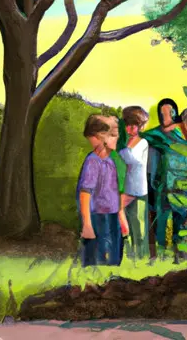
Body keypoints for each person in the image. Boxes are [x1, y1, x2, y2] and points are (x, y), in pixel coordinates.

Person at [142, 99, 187, 263]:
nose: (166, 116)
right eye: (163, 113)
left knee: (180, 221)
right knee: (158, 221)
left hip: (181, 186)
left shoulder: (183, 138)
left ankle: (179, 256)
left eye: (170, 112)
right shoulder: (155, 135)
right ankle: (156, 257)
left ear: (176, 113)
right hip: (159, 186)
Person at [77, 115, 123, 267]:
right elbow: (85, 193)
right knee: (98, 260)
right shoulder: (92, 162)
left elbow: (115, 192)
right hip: (97, 217)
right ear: (101, 138)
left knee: (114, 259)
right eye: (114, 136)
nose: (118, 139)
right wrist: (87, 225)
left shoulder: (111, 161)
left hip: (112, 215)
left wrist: (121, 216)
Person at [118, 106, 150, 260]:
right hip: (127, 186)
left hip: (137, 187)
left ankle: (140, 256)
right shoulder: (125, 142)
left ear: (140, 126)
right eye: (128, 124)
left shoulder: (142, 142)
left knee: (139, 224)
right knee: (127, 220)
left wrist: (120, 152)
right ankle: (129, 253)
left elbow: (133, 160)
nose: (130, 128)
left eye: (134, 125)